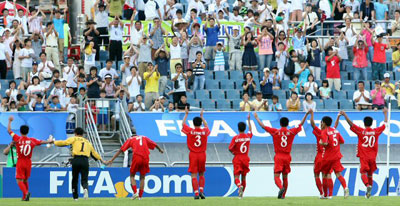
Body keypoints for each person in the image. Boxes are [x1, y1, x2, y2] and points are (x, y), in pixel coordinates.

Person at [253, 111, 309, 199]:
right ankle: (283, 195)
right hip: (287, 156)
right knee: (285, 177)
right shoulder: (291, 132)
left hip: (279, 156)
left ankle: (280, 188)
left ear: (280, 124)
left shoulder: (275, 132)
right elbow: (300, 124)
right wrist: (306, 114)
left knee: (276, 176)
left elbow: (263, 126)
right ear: (287, 124)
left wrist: (256, 118)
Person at [340, 109, 388, 199]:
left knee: (362, 173)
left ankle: (367, 186)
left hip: (364, 157)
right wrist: (385, 114)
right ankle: (368, 193)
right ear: (371, 123)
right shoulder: (376, 131)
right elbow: (385, 124)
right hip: (373, 157)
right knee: (370, 175)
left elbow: (351, 124)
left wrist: (345, 115)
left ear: (364, 123)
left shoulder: (361, 131)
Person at [7, 116, 54, 201]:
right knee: (25, 180)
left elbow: (9, 131)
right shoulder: (32, 140)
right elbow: (42, 142)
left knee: (19, 180)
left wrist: (10, 121)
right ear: (28, 132)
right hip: (28, 162)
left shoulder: (17, 138)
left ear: (20, 132)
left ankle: (26, 193)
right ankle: (25, 197)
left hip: (20, 161)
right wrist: (49, 141)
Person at [54, 127, 106, 200]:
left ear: (75, 133)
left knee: (75, 179)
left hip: (76, 159)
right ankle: (85, 188)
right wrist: (102, 160)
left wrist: (54, 142)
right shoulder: (87, 142)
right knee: (84, 179)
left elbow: (64, 143)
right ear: (82, 134)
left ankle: (75, 197)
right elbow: (94, 153)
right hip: (85, 160)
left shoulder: (74, 139)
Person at [106, 134, 163, 200]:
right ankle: (140, 197)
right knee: (142, 178)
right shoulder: (144, 137)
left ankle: (135, 193)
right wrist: (160, 150)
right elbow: (154, 144)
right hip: (146, 158)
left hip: (137, 157)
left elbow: (121, 150)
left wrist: (112, 159)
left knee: (132, 176)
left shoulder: (131, 139)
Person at [309, 110, 340, 199]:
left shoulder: (320, 132)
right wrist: (338, 117)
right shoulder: (331, 131)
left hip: (319, 156)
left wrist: (311, 114)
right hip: (327, 156)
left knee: (316, 175)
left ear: (323, 123)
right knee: (327, 175)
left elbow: (312, 124)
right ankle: (330, 194)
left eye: (321, 122)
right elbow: (335, 126)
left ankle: (322, 193)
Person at [181, 107, 210, 199]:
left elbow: (183, 124)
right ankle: (202, 191)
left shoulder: (190, 131)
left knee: (193, 174)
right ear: (201, 123)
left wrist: (186, 114)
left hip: (193, 154)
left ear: (193, 124)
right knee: (201, 173)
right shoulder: (204, 131)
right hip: (202, 154)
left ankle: (196, 193)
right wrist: (202, 117)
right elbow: (207, 127)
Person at [319, 115, 349, 199]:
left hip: (328, 157)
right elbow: (342, 141)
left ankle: (326, 195)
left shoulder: (324, 131)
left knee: (325, 174)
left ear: (324, 123)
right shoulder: (336, 131)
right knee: (338, 174)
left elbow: (325, 143)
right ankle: (345, 187)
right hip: (337, 156)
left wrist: (321, 142)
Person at [229, 113, 252, 199]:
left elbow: (230, 148)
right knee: (244, 177)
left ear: (238, 129)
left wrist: (234, 153)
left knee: (236, 177)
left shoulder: (235, 138)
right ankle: (241, 195)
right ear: (244, 128)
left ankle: (239, 186)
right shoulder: (248, 137)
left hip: (238, 158)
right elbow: (251, 131)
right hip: (245, 158)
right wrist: (249, 120)